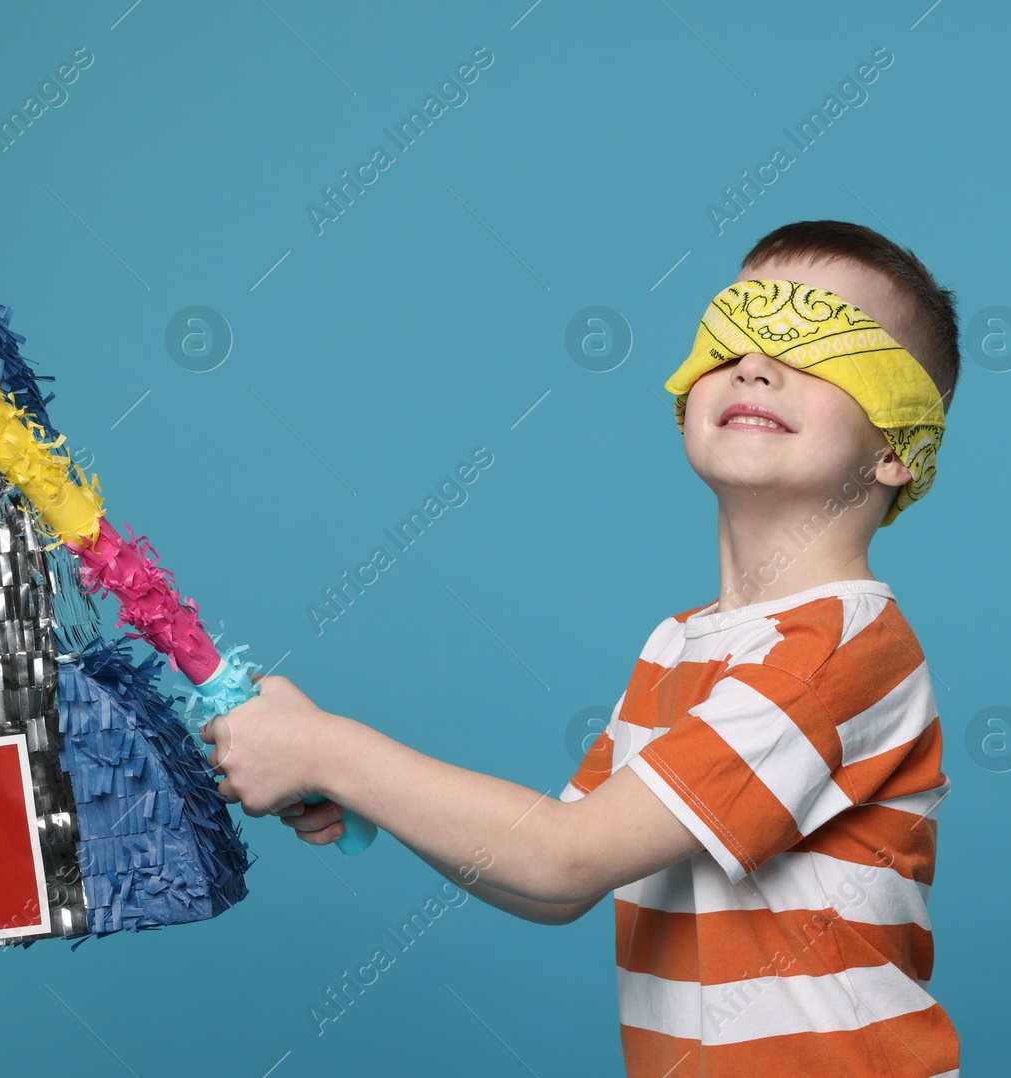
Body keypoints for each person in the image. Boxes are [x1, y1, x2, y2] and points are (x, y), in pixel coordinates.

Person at [198, 219, 962, 1076]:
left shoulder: (839, 651)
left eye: (818, 346)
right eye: (735, 333)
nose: (755, 363)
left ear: (899, 446)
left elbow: (562, 858)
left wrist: (331, 750)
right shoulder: (679, 646)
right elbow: (549, 881)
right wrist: (367, 790)